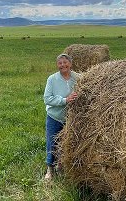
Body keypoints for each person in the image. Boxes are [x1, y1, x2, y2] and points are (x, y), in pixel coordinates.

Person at [43, 53, 79, 181]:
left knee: (67, 143)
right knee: (52, 143)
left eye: (65, 62)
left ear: (70, 64)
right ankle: (49, 170)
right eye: (60, 63)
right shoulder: (52, 79)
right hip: (54, 117)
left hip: (71, 118)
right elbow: (47, 99)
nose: (63, 65)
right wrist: (65, 100)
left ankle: (61, 166)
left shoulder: (78, 78)